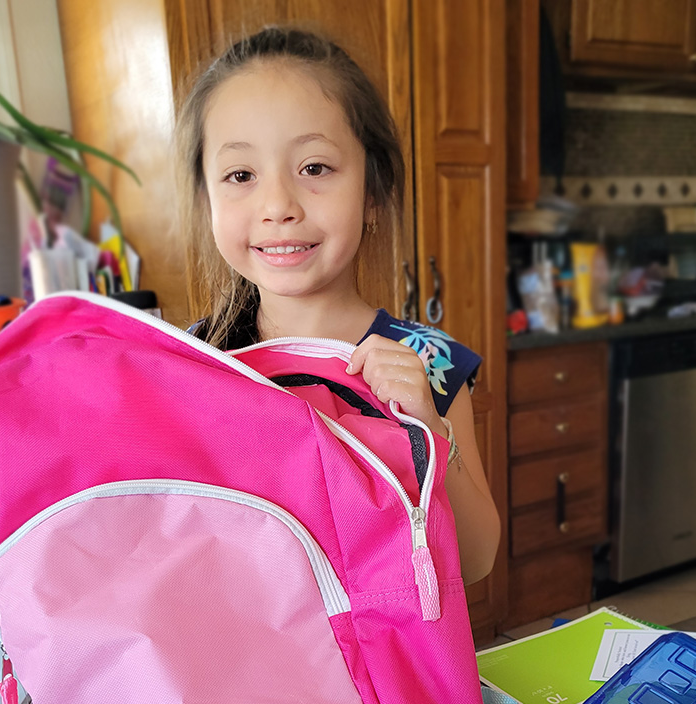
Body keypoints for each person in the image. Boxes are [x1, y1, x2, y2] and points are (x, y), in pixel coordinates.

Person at [176, 26, 500, 585]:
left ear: (372, 195)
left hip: (384, 666)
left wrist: (428, 431)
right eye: (240, 175)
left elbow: (475, 561)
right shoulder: (191, 362)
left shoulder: (430, 363)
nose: (277, 205)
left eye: (315, 168)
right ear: (208, 200)